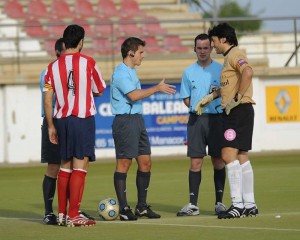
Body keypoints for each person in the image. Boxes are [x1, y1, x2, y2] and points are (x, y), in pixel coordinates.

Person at [43, 24, 106, 227]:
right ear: (81, 42)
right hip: (82, 118)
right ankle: (74, 215)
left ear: (64, 41)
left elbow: (47, 98)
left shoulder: (51, 67)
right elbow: (99, 89)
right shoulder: (88, 62)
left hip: (61, 120)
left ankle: (61, 214)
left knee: (65, 165)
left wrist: (51, 125)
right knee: (80, 165)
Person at [110, 37, 176, 221]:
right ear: (130, 53)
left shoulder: (131, 71)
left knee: (145, 162)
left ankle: (141, 207)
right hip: (125, 121)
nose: (143, 56)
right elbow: (133, 96)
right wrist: (156, 88)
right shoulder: (121, 73)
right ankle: (123, 208)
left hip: (137, 120)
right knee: (124, 164)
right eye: (140, 52)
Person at [208, 22, 258, 219]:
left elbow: (248, 72)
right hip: (242, 111)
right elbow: (233, 82)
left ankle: (237, 205)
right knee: (241, 157)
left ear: (223, 39)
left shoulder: (235, 54)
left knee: (227, 155)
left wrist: (236, 99)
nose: (213, 46)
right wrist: (213, 96)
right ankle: (250, 204)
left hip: (237, 112)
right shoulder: (230, 57)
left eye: (213, 41)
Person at [177, 33, 227, 217]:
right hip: (196, 120)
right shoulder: (188, 72)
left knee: (218, 160)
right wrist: (196, 106)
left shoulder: (221, 70)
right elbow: (186, 98)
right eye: (200, 48)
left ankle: (219, 203)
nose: (203, 51)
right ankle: (193, 204)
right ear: (194, 49)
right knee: (196, 161)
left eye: (206, 48)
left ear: (211, 49)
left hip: (217, 120)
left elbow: (227, 92)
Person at [40, 38, 65, 225]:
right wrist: (50, 125)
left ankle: (72, 210)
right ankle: (49, 212)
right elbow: (48, 99)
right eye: (66, 51)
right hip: (54, 121)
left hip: (69, 121)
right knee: (54, 167)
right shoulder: (48, 72)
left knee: (72, 166)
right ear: (57, 52)